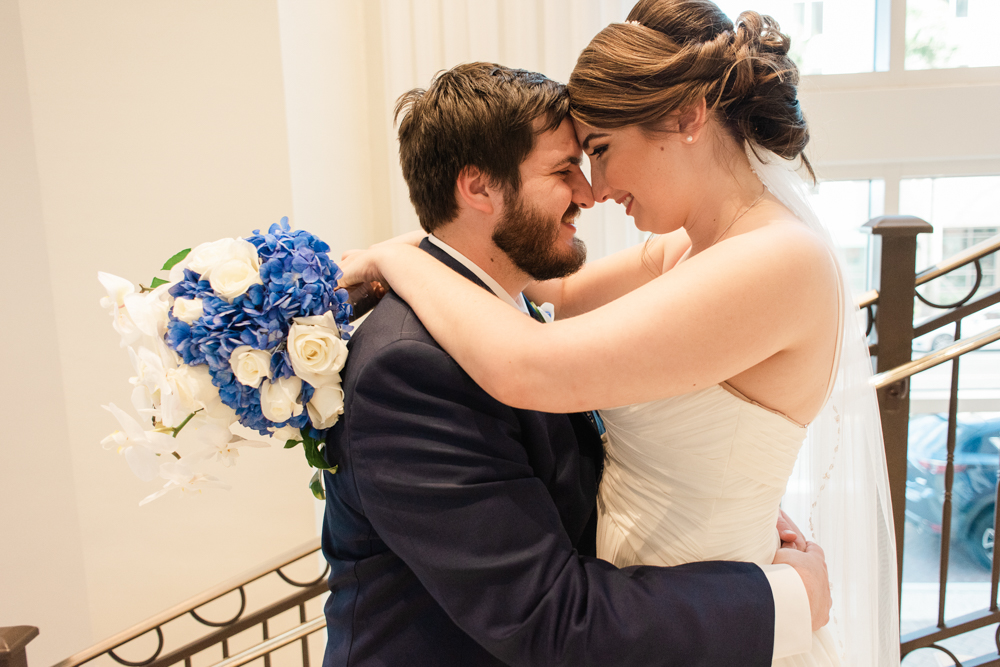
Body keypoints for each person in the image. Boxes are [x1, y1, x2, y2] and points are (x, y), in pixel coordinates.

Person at [337, 2, 900, 666]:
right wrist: (421, 243)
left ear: (688, 117)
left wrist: (394, 258)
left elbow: (535, 366)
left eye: (600, 151)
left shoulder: (778, 259)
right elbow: (560, 290)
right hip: (650, 614)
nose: (595, 188)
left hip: (699, 626)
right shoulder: (687, 250)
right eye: (575, 163)